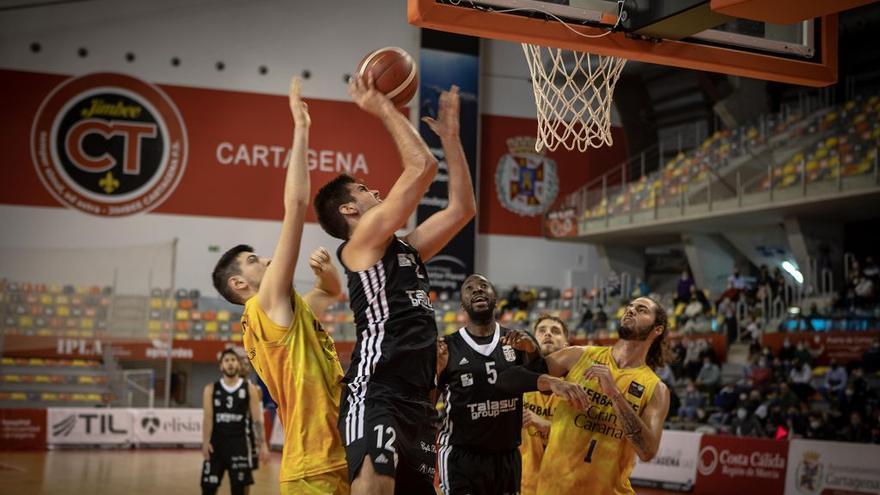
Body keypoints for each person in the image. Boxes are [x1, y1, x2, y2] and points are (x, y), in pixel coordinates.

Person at [313, 77, 475, 495]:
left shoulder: (405, 248)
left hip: (421, 400)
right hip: (377, 392)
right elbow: (422, 168)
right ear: (350, 210)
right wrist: (383, 106)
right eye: (366, 190)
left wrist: (453, 140)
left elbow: (462, 209)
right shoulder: (361, 244)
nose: (378, 191)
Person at [211, 78, 348, 495]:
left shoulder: (280, 318)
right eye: (255, 261)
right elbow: (294, 206)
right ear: (240, 283)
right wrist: (301, 128)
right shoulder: (263, 304)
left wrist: (324, 273)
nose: (267, 260)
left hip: (329, 458)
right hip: (315, 468)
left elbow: (330, 294)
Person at [497, 296, 671, 495]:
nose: (631, 310)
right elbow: (506, 379)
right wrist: (552, 382)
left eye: (642, 310)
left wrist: (614, 395)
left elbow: (647, 451)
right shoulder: (578, 356)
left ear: (657, 330)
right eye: (630, 307)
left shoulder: (656, 389)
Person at [435, 274, 539, 495]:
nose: (477, 290)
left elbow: (543, 385)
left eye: (484, 286)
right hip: (461, 456)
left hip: (507, 455)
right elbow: (426, 403)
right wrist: (435, 372)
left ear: (496, 298)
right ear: (462, 305)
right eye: (469, 288)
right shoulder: (446, 347)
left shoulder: (518, 341)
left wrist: (534, 353)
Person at [201, 349, 268, 495]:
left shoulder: (250, 389)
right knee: (208, 489)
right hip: (216, 447)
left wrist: (263, 444)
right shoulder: (210, 389)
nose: (230, 363)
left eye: (233, 360)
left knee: (240, 489)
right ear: (221, 366)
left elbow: (257, 420)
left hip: (240, 447)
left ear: (238, 364)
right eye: (226, 360)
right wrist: (205, 441)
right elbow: (208, 418)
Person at [520, 315, 569, 495]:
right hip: (524, 484)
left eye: (555, 331)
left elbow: (585, 437)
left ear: (566, 345)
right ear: (532, 341)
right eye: (542, 330)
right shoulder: (518, 379)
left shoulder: (579, 384)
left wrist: (543, 424)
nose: (548, 333)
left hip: (565, 485)